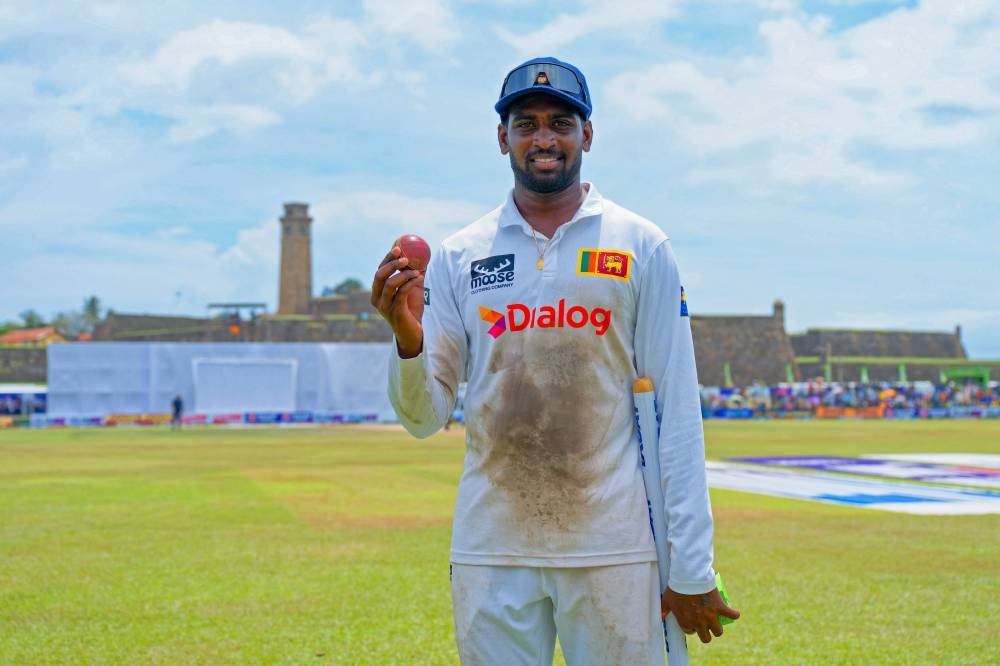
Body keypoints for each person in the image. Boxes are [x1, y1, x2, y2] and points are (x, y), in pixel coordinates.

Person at [372, 56, 738, 665]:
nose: (544, 138)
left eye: (561, 122)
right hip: (494, 547)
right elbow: (422, 417)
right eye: (526, 123)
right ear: (502, 138)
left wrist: (692, 567)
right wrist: (406, 340)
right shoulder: (460, 255)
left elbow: (676, 411)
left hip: (615, 545)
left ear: (586, 135)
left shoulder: (639, 244)